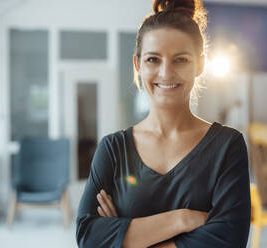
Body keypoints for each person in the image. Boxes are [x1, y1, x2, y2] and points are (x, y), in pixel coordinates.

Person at [76, 0, 251, 247]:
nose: (166, 73)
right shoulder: (113, 149)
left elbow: (229, 240)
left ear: (199, 65)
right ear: (137, 65)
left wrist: (124, 237)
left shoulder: (227, 146)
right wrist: (181, 219)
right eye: (153, 59)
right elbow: (88, 237)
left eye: (180, 60)